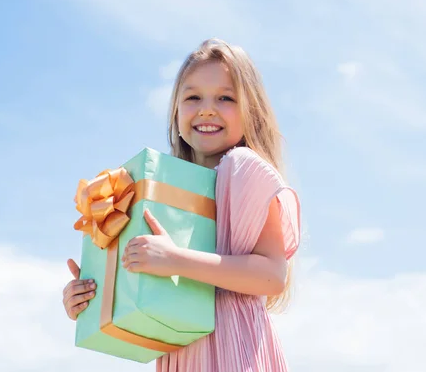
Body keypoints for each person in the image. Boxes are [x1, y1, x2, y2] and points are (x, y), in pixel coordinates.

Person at [62, 38, 301, 371]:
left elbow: (273, 275)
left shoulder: (242, 167)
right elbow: (150, 284)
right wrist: (93, 292)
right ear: (176, 110)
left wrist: (175, 259)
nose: (206, 109)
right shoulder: (167, 186)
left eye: (226, 97)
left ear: (252, 110)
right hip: (184, 351)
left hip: (234, 350)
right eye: (192, 97)